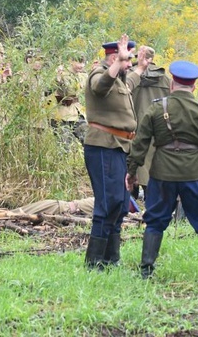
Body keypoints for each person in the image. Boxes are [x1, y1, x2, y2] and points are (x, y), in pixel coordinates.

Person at [126, 60, 198, 280]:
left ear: (172, 85)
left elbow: (140, 143)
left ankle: (146, 269)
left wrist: (132, 171)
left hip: (162, 173)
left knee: (156, 219)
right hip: (194, 173)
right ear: (194, 87)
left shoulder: (156, 108)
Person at [83, 34, 149, 270]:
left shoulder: (121, 79)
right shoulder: (99, 74)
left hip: (121, 147)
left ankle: (112, 258)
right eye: (125, 59)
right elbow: (101, 87)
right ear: (113, 58)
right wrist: (116, 64)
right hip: (103, 146)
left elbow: (129, 82)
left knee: (121, 204)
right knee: (107, 203)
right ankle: (94, 263)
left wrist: (140, 68)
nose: (128, 64)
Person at [129, 46, 171, 199]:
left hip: (131, 128)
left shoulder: (129, 77)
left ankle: (129, 205)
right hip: (158, 129)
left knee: (131, 165)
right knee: (152, 165)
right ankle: (151, 201)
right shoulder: (166, 80)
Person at [51, 54, 88, 145]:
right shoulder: (62, 74)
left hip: (77, 112)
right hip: (62, 114)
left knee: (88, 140)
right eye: (79, 62)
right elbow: (50, 88)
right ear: (71, 61)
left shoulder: (83, 76)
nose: (81, 65)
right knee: (64, 145)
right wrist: (58, 79)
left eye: (83, 63)